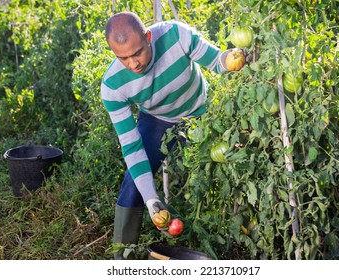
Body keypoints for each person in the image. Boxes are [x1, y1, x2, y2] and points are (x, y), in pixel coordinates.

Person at [101, 12, 249, 259]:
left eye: (137, 53)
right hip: (159, 121)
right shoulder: (113, 86)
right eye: (123, 58)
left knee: (232, 167)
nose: (133, 64)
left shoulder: (175, 35)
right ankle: (122, 258)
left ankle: (237, 234)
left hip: (203, 114)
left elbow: (216, 61)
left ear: (148, 37)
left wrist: (235, 57)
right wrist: (151, 200)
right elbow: (131, 146)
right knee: (133, 182)